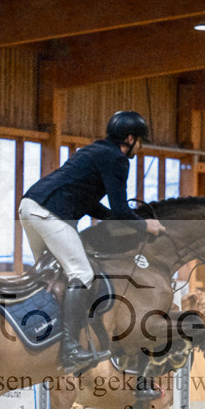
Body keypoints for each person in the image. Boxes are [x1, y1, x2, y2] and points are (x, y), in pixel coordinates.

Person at [20, 111, 165, 374]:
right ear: (130, 139)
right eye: (141, 141)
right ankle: (70, 348)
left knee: (52, 274)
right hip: (51, 213)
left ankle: (41, 333)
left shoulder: (95, 151)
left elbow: (90, 203)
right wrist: (145, 225)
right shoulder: (117, 159)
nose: (141, 147)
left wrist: (113, 219)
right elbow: (121, 209)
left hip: (30, 207)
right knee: (82, 274)